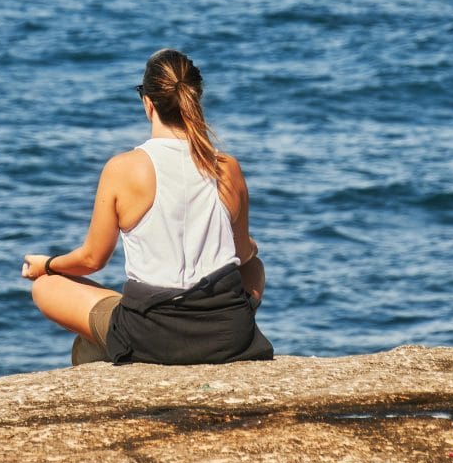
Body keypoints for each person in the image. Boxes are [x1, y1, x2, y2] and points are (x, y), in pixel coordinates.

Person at [22, 48, 273, 365]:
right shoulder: (226, 168)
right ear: (195, 99)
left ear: (148, 103)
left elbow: (91, 259)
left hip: (151, 335)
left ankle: (104, 346)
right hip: (227, 333)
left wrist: (46, 265)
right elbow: (241, 253)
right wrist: (252, 246)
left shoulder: (124, 168)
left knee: (45, 288)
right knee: (255, 267)